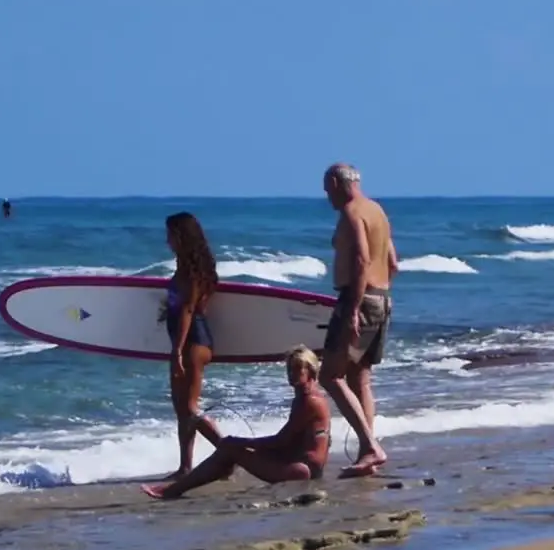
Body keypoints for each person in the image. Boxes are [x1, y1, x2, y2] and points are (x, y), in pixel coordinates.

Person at [141, 345, 331, 500]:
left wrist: (239, 442)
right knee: (232, 449)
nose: (291, 373)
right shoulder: (311, 397)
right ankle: (209, 472)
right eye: (289, 369)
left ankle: (174, 490)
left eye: (298, 369)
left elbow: (280, 441)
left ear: (311, 370)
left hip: (299, 471)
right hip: (300, 466)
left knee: (231, 448)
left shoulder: (309, 400)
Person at [321, 163, 398, 478]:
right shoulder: (377, 211)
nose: (328, 198)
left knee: (330, 376)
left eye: (328, 190)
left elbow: (362, 259)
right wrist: (378, 293)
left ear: (339, 184)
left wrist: (353, 308)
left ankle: (371, 446)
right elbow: (393, 263)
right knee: (359, 378)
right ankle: (368, 453)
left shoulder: (352, 213)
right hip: (380, 298)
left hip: (359, 300)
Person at [159, 212, 224, 480]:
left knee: (189, 409)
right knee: (181, 409)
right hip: (188, 341)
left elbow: (189, 310)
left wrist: (177, 351)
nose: (167, 241)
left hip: (193, 343)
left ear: (181, 237)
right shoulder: (189, 266)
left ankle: (229, 452)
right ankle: (185, 466)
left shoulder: (190, 272)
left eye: (170, 235)